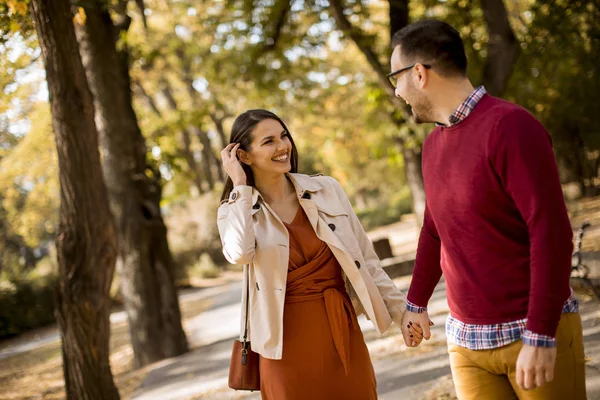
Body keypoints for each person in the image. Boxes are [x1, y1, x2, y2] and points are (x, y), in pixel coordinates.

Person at [387, 19, 587, 399]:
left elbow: (551, 233)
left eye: (396, 77)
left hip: (531, 332)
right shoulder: (433, 145)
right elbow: (434, 229)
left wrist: (541, 333)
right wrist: (416, 301)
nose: (396, 91)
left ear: (419, 73)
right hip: (465, 340)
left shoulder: (510, 127)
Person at [217, 109, 421, 399]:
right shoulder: (234, 209)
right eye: (269, 141)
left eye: (284, 136)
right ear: (244, 156)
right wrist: (240, 186)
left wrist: (402, 313)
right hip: (283, 346)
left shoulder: (326, 190)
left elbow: (366, 260)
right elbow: (240, 254)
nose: (282, 146)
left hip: (341, 331)